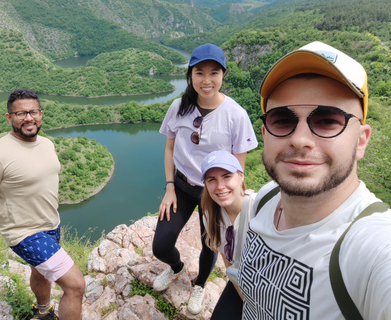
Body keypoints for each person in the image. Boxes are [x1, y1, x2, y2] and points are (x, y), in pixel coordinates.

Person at [238, 41, 391, 319]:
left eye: (327, 120)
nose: (300, 140)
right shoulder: (266, 199)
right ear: (264, 133)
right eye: (282, 119)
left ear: (361, 140)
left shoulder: (370, 248)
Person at [152, 43, 258, 315]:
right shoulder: (179, 107)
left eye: (214, 73)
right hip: (183, 185)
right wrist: (169, 187)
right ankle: (176, 267)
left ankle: (200, 284)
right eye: (200, 73)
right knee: (161, 244)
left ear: (224, 74)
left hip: (214, 191)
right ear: (191, 75)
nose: (207, 80)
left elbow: (238, 165)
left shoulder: (236, 115)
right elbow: (169, 149)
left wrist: (230, 199)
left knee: (210, 243)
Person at [0, 88, 85, 320]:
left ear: (41, 114)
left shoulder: (45, 144)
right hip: (24, 232)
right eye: (20, 113)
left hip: (51, 223)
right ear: (9, 117)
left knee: (40, 271)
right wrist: (9, 218)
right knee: (75, 285)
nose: (29, 118)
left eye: (33, 112)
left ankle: (43, 311)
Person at [200, 150, 257, 319]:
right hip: (240, 281)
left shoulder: (258, 209)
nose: (220, 186)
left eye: (227, 176)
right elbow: (228, 261)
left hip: (268, 284)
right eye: (212, 180)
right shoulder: (210, 216)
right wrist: (244, 299)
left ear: (241, 177)